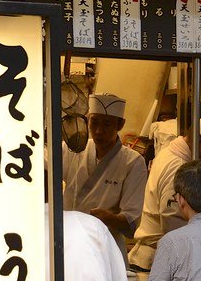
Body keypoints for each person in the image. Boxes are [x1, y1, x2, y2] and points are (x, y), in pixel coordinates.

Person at [128, 109, 201, 271]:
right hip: (155, 262)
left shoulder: (174, 155)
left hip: (167, 257)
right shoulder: (177, 166)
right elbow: (172, 220)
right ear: (199, 142)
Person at [62, 93, 147, 258]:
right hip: (70, 241)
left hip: (106, 247)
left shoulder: (133, 162)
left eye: (107, 124)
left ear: (120, 124)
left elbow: (130, 221)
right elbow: (43, 168)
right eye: (94, 122)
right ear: (87, 120)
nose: (99, 131)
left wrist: (106, 218)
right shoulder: (72, 148)